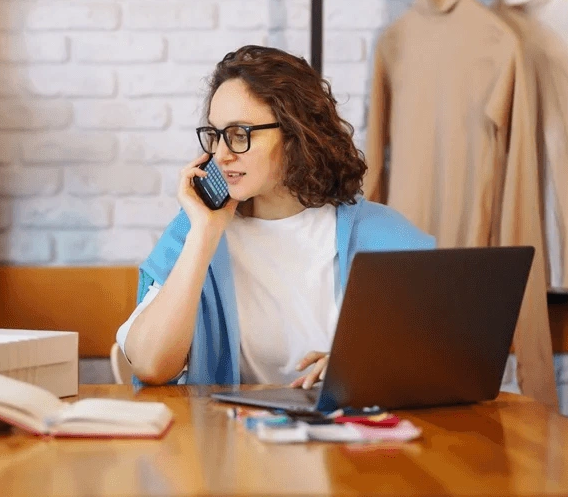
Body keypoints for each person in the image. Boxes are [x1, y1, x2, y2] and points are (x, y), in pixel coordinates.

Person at [116, 45, 435, 388]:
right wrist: (204, 234)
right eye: (215, 135)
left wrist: (364, 366)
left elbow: (439, 352)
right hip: (231, 437)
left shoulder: (383, 234)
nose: (221, 154)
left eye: (240, 135)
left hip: (345, 437)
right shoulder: (192, 231)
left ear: (296, 134)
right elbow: (150, 365)